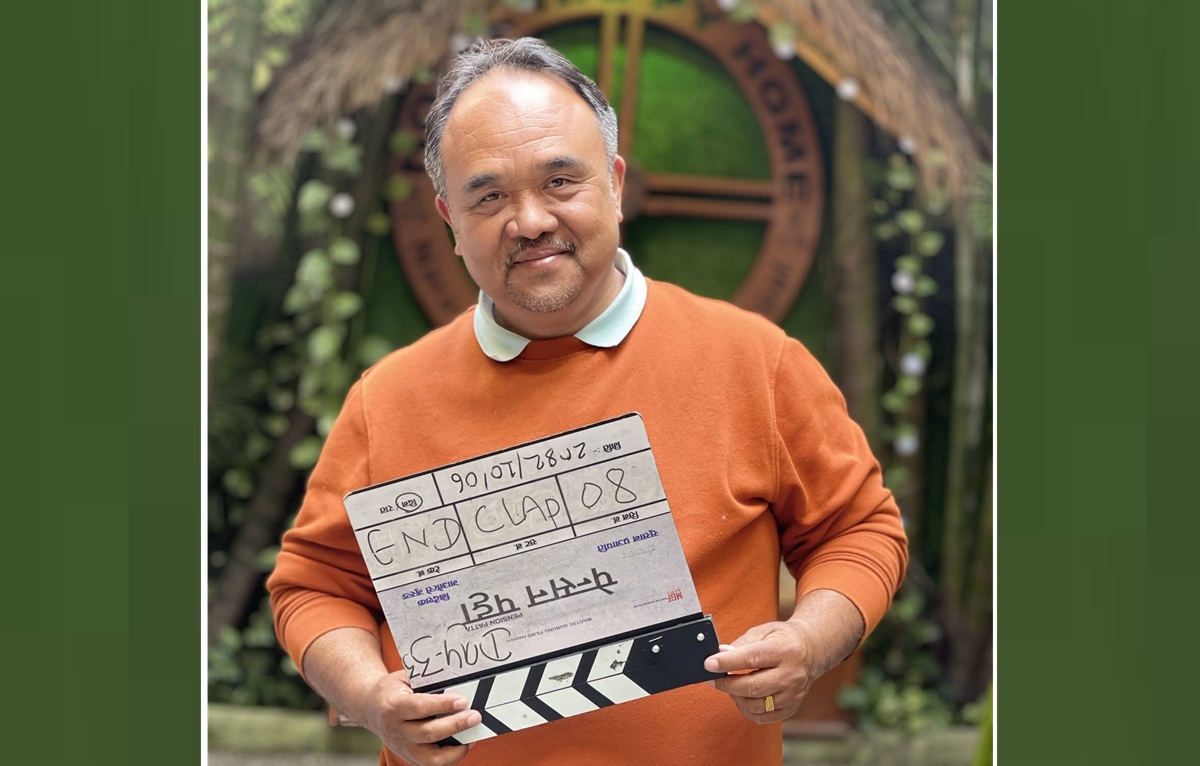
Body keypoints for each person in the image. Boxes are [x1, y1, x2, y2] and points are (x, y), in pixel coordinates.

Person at [268, 37, 907, 766]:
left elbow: (859, 531)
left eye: (561, 181)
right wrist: (368, 695)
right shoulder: (386, 400)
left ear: (615, 183)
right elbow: (314, 586)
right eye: (489, 197)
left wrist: (808, 642)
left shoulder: (756, 361)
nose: (530, 220)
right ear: (449, 219)